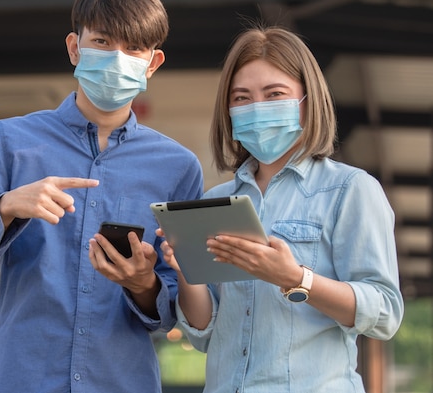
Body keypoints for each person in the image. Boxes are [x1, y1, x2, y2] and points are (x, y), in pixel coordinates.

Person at [0, 0, 204, 393]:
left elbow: (177, 311)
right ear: (75, 48)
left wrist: (142, 283)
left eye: (133, 48)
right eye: (102, 41)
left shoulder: (178, 168)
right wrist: (6, 208)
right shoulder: (10, 143)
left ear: (152, 63)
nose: (117, 58)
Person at [160, 25, 404, 392]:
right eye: (242, 98)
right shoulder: (215, 199)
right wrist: (184, 271)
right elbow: (204, 334)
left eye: (274, 94)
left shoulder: (351, 190)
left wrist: (296, 278)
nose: (257, 108)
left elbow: (384, 313)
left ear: (308, 101)